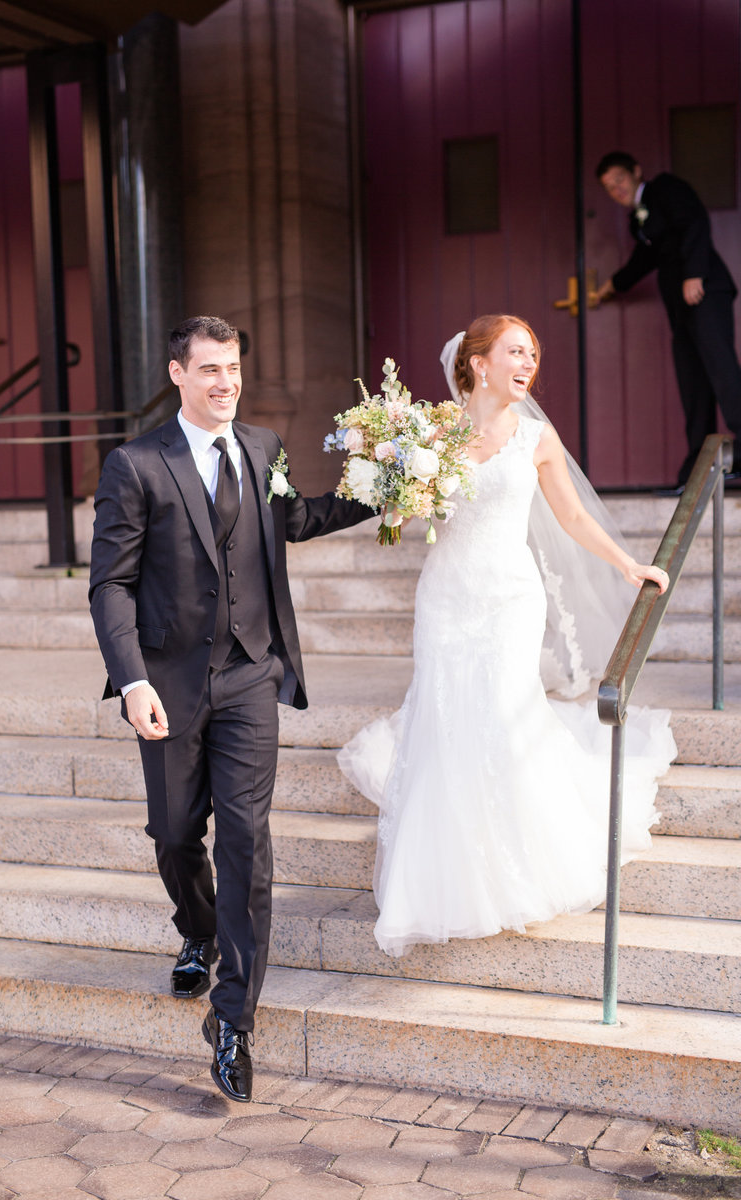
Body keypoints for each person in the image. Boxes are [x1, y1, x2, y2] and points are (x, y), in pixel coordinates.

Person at [89, 315, 372, 1102]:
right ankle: (197, 930)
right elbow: (110, 582)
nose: (226, 383)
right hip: (171, 683)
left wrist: (380, 493)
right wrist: (133, 680)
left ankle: (234, 1019)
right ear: (177, 374)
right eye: (210, 369)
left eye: (234, 369)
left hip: (252, 675)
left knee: (248, 839)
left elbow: (294, 522)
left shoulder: (263, 448)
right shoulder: (136, 464)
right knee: (177, 833)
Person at [337, 315, 677, 958]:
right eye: (516, 352)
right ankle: (448, 863)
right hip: (445, 597)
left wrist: (627, 564)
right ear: (479, 364)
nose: (529, 364)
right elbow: (404, 510)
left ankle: (516, 857)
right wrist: (395, 486)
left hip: (510, 600)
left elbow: (570, 514)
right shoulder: (430, 432)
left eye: (534, 355)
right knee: (445, 715)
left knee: (499, 710)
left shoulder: (536, 438)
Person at [595, 150, 741, 490]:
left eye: (619, 180)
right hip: (681, 305)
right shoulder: (638, 220)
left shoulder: (665, 188)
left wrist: (695, 275)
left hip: (705, 292)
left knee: (722, 371)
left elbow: (694, 221)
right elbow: (645, 258)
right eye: (609, 187)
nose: (616, 189)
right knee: (693, 384)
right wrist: (613, 285)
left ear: (635, 172)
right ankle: (697, 472)